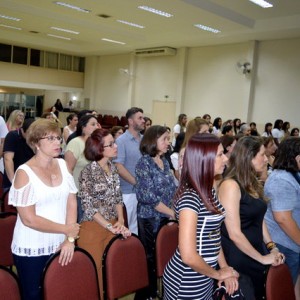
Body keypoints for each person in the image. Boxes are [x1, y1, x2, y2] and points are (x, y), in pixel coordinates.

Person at [8, 119, 80, 300]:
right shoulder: (24, 173)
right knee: (34, 295)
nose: (57, 143)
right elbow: (29, 219)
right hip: (32, 246)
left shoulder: (63, 165)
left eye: (58, 138)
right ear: (35, 143)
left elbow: (71, 200)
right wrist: (67, 230)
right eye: (50, 139)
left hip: (62, 242)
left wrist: (69, 239)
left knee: (59, 292)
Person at [163, 133, 239, 300]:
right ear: (205, 159)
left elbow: (212, 235)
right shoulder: (190, 199)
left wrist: (224, 268)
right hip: (186, 279)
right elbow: (189, 256)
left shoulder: (208, 189)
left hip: (204, 274)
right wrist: (218, 274)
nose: (226, 159)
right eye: (220, 154)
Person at [218, 136, 285, 300]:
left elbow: (259, 218)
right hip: (239, 256)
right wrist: (262, 258)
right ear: (248, 157)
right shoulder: (230, 185)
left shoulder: (251, 181)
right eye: (262, 155)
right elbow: (234, 234)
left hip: (254, 251)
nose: (266, 158)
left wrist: (272, 247)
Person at [78, 129, 130, 300]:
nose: (116, 146)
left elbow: (118, 198)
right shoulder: (88, 172)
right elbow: (89, 207)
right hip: (93, 229)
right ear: (100, 149)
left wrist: (121, 221)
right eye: (111, 144)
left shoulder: (113, 168)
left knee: (112, 273)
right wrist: (109, 226)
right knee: (95, 276)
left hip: (113, 225)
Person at [135, 125, 176, 299]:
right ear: (153, 141)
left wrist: (173, 211)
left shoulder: (165, 162)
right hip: (150, 219)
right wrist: (173, 214)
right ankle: (147, 294)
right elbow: (148, 197)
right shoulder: (144, 163)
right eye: (164, 139)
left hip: (165, 216)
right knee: (150, 260)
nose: (168, 142)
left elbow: (171, 190)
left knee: (164, 257)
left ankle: (161, 292)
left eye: (169, 139)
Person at [264, 137, 300, 289]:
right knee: (282, 290)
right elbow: (283, 219)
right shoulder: (282, 180)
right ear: (297, 158)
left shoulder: (293, 175)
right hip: (284, 244)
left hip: (292, 243)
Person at [114, 107, 145, 235]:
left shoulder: (144, 140)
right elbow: (118, 167)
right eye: (140, 118)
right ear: (131, 121)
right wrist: (137, 183)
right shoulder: (121, 141)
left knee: (139, 228)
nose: (143, 120)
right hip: (128, 192)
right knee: (130, 228)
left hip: (143, 192)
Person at [65, 115, 99, 221]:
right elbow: (68, 170)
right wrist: (72, 194)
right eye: (93, 124)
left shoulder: (96, 144)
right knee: (81, 225)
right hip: (78, 194)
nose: (97, 127)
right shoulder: (76, 143)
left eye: (97, 124)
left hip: (93, 193)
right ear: (83, 127)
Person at [3, 118, 35, 191]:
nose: (32, 138)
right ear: (22, 130)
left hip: (30, 181)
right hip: (13, 181)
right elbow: (8, 159)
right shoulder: (12, 136)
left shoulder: (35, 139)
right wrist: (13, 182)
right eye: (29, 135)